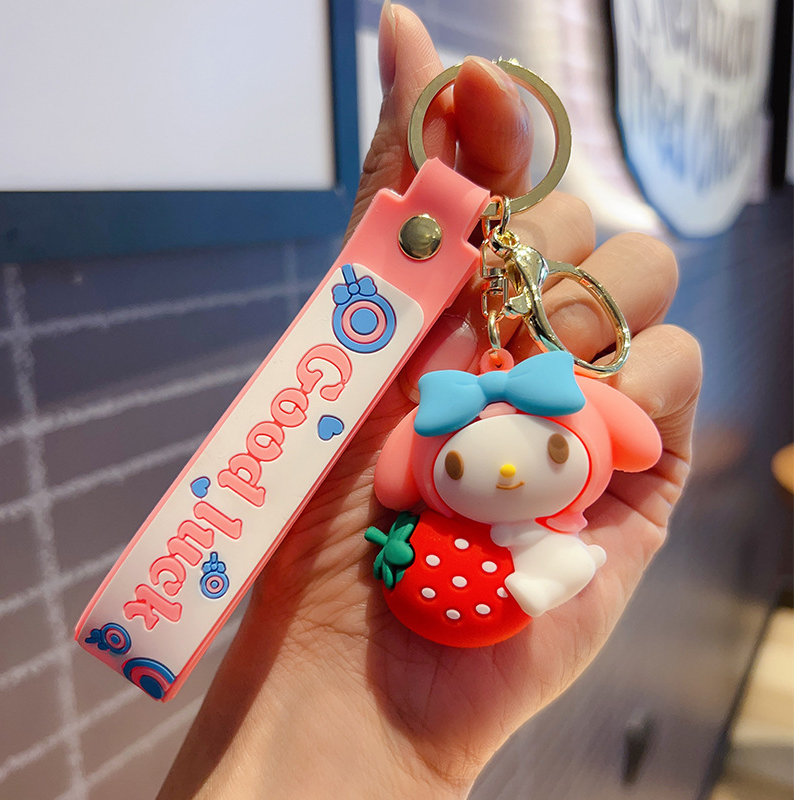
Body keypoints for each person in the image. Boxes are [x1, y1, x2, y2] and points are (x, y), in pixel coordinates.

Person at [158, 4, 702, 798]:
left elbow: (636, 442)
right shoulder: (427, 466)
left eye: (558, 449)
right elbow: (393, 476)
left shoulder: (519, 457)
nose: (510, 476)